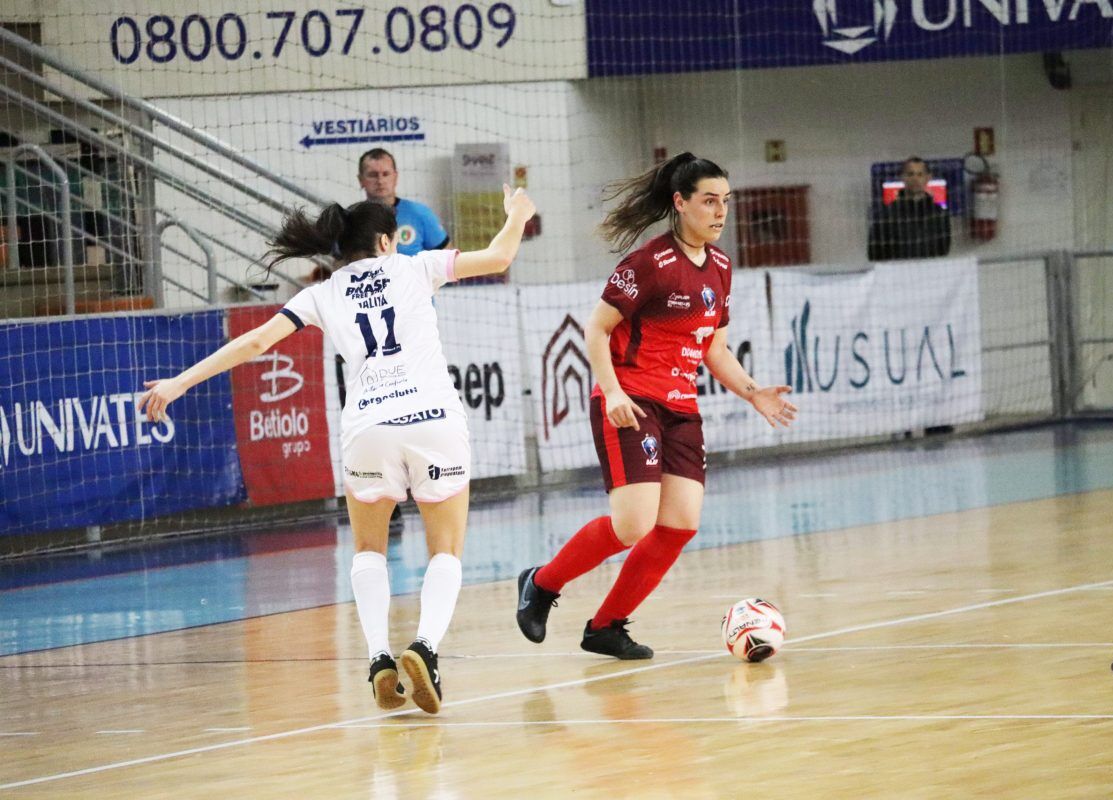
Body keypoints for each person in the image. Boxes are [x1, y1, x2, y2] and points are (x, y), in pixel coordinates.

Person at [137, 185, 536, 713]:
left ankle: (377, 659)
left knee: (368, 552)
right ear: (386, 243)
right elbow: (502, 256)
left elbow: (255, 343)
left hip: (368, 428)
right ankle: (425, 649)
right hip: (433, 419)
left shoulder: (321, 293)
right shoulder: (417, 267)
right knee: (446, 551)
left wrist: (179, 383)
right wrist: (516, 214)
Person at [514, 152, 797, 660]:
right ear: (680, 203)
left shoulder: (721, 269)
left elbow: (714, 348)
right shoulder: (649, 263)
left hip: (682, 408)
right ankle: (542, 583)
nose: (720, 212)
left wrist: (753, 391)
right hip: (632, 399)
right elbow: (595, 329)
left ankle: (605, 627)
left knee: (679, 526)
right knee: (633, 524)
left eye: (726, 202)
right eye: (709, 201)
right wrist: (615, 392)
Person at [358, 148, 451, 256]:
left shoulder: (420, 213)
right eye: (373, 175)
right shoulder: (352, 219)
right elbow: (339, 262)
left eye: (386, 174)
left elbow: (447, 257)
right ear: (361, 180)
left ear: (395, 177)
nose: (380, 181)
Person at [867, 156, 951, 261]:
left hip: (929, 272)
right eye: (910, 174)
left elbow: (943, 249)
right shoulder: (885, 215)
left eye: (920, 174)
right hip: (896, 273)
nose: (915, 179)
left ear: (928, 178)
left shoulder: (939, 214)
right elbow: (875, 253)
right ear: (902, 177)